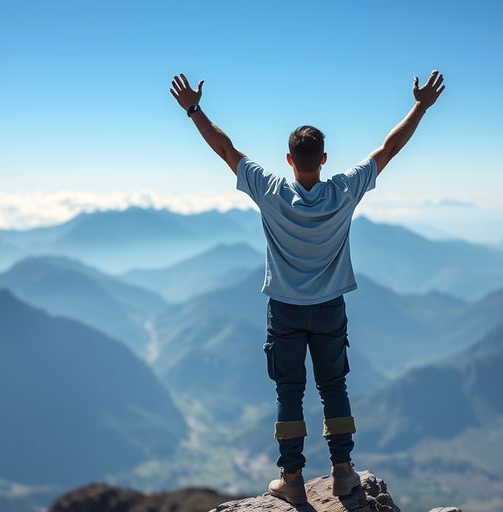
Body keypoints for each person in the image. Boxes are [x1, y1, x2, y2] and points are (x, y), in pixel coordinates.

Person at [169, 70, 445, 505]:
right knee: (334, 387)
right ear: (324, 158)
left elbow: (225, 149)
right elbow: (388, 149)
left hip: (285, 310)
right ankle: (343, 473)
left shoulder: (271, 190)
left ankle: (292, 477)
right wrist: (421, 106)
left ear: (289, 159)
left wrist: (193, 109)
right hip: (330, 308)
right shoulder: (343, 190)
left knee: (289, 392)